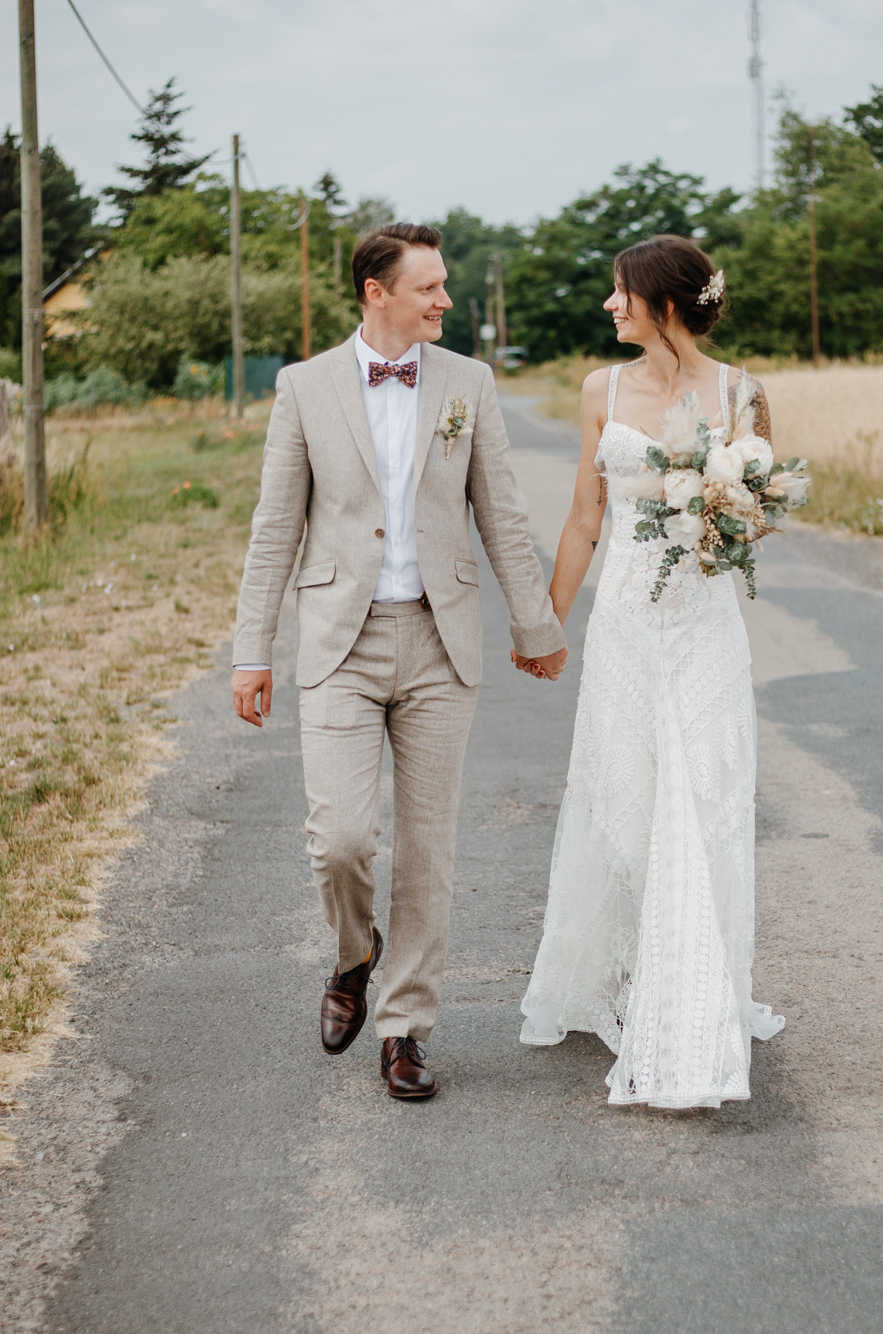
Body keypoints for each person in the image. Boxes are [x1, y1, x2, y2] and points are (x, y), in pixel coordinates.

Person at [231, 223, 568, 1100]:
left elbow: (501, 511)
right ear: (376, 292)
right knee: (341, 839)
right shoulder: (303, 388)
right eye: (429, 287)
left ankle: (405, 1028)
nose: (445, 300)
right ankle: (355, 956)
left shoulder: (469, 383)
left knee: (428, 850)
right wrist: (249, 652)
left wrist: (536, 625)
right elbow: (275, 530)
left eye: (446, 284)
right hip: (338, 642)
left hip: (438, 641)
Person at [517, 234, 785, 1109]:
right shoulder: (601, 389)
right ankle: (633, 971)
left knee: (705, 797)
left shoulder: (745, 394)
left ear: (663, 303)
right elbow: (585, 518)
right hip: (628, 626)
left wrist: (725, 510)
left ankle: (698, 991)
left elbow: (761, 514)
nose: (608, 306)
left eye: (619, 293)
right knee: (627, 800)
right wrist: (542, 622)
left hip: (705, 627)